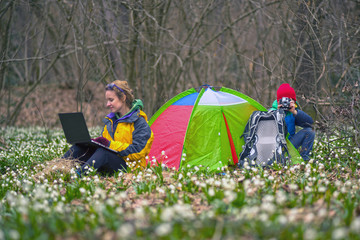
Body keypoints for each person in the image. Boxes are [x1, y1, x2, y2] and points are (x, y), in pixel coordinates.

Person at [63, 80, 154, 175]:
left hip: (130, 168)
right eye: (107, 100)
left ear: (123, 98)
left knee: (104, 153)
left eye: (111, 100)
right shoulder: (110, 121)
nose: (107, 104)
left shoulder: (140, 122)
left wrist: (109, 144)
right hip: (110, 162)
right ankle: (57, 169)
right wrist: (92, 143)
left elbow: (138, 151)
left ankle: (78, 175)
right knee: (79, 147)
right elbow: (103, 146)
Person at [270, 83, 315, 161]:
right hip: (275, 146)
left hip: (290, 144)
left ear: (293, 101)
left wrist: (295, 112)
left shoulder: (292, 113)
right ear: (278, 101)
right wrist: (278, 113)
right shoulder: (271, 112)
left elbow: (310, 123)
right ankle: (282, 159)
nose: (286, 103)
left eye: (289, 100)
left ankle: (304, 159)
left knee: (309, 131)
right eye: (283, 101)